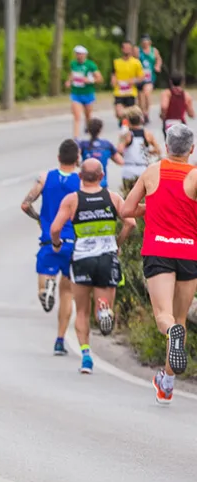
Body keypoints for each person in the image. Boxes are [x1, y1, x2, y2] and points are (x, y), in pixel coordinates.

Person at [120, 124, 197, 404]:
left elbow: (126, 210)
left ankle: (169, 336)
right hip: (189, 252)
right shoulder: (195, 175)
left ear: (166, 146)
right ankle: (167, 382)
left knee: (164, 317)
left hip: (159, 250)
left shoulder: (152, 172)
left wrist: (150, 207)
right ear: (191, 150)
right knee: (180, 317)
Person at [50, 158, 136, 374]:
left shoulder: (72, 200)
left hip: (81, 259)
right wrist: (117, 243)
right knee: (103, 303)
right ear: (102, 176)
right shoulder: (112, 197)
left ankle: (86, 356)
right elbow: (131, 222)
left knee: (81, 310)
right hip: (107, 257)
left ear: (80, 177)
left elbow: (55, 228)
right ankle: (104, 310)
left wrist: (57, 243)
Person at [20, 139, 82, 355]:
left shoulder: (45, 178)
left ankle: (46, 289)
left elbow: (25, 204)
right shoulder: (81, 182)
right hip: (72, 243)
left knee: (44, 284)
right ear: (77, 159)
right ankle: (59, 340)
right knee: (67, 294)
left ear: (58, 158)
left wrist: (39, 218)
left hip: (48, 241)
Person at [117, 106, 161, 193]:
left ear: (127, 120)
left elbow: (120, 150)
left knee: (128, 198)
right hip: (143, 169)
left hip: (129, 170)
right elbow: (158, 150)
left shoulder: (127, 135)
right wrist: (146, 151)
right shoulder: (147, 134)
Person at [65, 46, 102, 139]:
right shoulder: (73, 64)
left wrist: (89, 80)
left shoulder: (90, 65)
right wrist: (69, 81)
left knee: (88, 116)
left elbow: (99, 78)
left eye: (80, 54)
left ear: (85, 55)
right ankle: (76, 137)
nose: (78, 56)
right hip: (76, 93)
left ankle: (91, 134)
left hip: (88, 93)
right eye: (77, 54)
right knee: (77, 116)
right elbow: (72, 74)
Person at [78, 118, 123, 189]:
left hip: (86, 184)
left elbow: (76, 160)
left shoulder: (83, 145)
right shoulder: (107, 145)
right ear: (100, 130)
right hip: (101, 183)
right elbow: (120, 161)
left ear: (88, 130)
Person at [111, 41, 145, 127]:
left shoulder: (136, 62)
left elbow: (141, 77)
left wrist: (134, 80)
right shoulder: (116, 62)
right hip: (119, 92)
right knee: (119, 113)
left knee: (130, 115)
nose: (127, 50)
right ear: (122, 49)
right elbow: (113, 74)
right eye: (125, 48)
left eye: (129, 48)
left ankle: (126, 126)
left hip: (130, 92)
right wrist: (113, 81)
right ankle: (124, 122)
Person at [134, 35, 162, 124]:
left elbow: (159, 59)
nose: (144, 44)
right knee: (139, 98)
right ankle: (141, 114)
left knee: (146, 94)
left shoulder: (154, 51)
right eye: (143, 42)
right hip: (140, 77)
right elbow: (133, 61)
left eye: (146, 42)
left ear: (150, 42)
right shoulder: (138, 51)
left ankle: (146, 113)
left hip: (150, 77)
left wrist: (157, 66)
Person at [160, 71, 195, 140]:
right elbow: (191, 114)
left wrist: (162, 115)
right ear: (182, 82)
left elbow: (164, 106)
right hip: (180, 122)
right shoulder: (186, 95)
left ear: (171, 81)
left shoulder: (167, 93)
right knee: (181, 145)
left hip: (168, 122)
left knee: (170, 144)